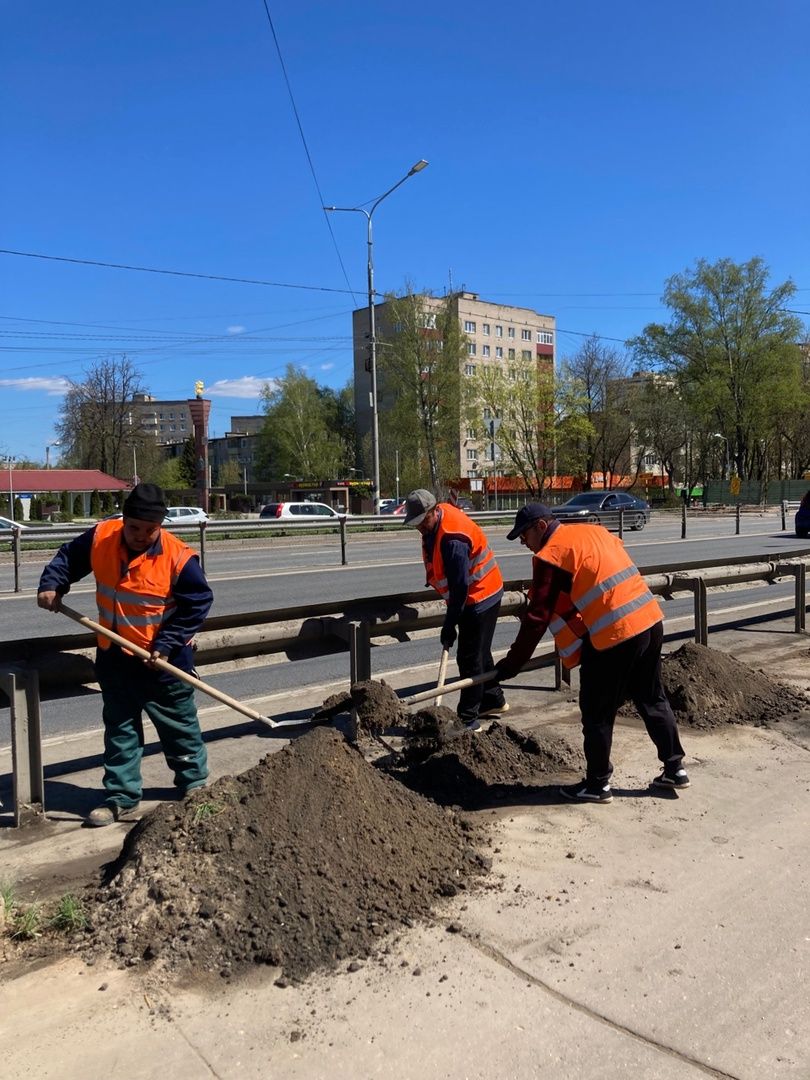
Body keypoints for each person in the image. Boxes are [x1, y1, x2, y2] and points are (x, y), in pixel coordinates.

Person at [37, 483, 214, 826]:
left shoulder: (178, 557)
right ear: (124, 520)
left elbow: (198, 605)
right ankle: (121, 797)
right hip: (115, 658)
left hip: (164, 664)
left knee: (179, 730)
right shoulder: (103, 536)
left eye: (150, 530)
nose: (141, 536)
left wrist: (165, 644)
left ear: (160, 525)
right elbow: (68, 558)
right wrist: (52, 584)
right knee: (120, 731)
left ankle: (194, 786)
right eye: (134, 527)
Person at [494, 502, 688, 803]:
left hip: (616, 634)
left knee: (596, 709)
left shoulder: (550, 555)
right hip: (650, 620)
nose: (523, 542)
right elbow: (598, 575)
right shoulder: (593, 531)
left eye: (523, 535)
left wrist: (512, 665)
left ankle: (597, 784)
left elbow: (536, 618)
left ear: (541, 527)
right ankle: (674, 768)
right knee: (651, 695)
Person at [403, 488, 507, 729]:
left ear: (433, 511)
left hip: (480, 596)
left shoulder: (452, 540)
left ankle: (468, 720)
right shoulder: (439, 518)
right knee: (480, 651)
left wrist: (449, 625)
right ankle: (493, 699)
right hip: (476, 593)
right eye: (415, 523)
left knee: (469, 659)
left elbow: (460, 589)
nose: (419, 527)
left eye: (422, 522)